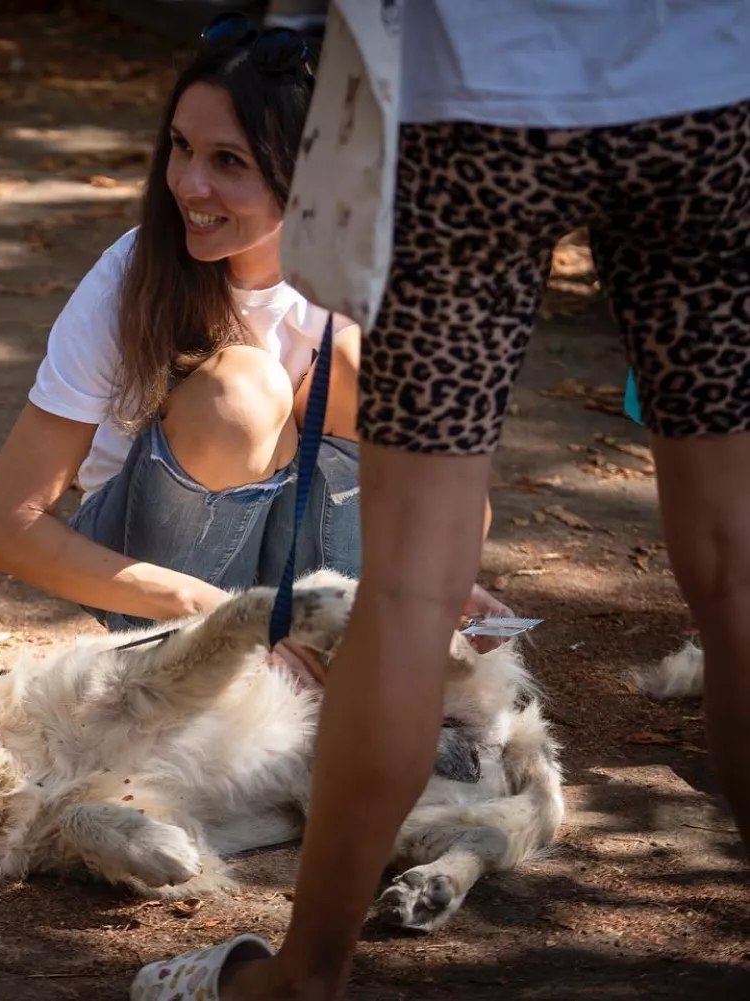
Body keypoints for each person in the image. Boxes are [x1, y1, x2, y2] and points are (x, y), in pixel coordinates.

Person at [135, 2, 750, 999]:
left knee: (411, 591)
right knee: (735, 566)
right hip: (705, 99)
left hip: (471, 105)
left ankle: (306, 975)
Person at [0, 26, 373, 633]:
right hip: (160, 577)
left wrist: (434, 585)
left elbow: (454, 501)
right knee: (241, 389)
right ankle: (196, 665)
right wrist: (215, 611)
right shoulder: (133, 273)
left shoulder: (366, 276)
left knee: (357, 366)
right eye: (182, 147)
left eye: (229, 161)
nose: (189, 184)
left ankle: (326, 655)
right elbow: (7, 524)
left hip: (303, 576)